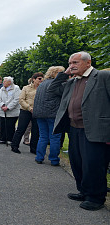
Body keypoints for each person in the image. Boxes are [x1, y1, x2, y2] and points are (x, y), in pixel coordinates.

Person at [48, 51, 110, 211]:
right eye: (70, 63)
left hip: (96, 130)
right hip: (73, 128)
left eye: (75, 63)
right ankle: (84, 191)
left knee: (94, 164)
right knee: (78, 162)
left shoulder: (102, 77)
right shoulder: (73, 81)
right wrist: (64, 73)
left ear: (88, 63)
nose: (71, 66)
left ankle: (96, 197)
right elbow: (53, 89)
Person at [33, 66, 65, 166]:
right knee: (55, 137)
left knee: (43, 136)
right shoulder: (56, 84)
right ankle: (54, 159)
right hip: (52, 114)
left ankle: (39, 157)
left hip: (40, 114)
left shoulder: (42, 84)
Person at [10, 72, 43, 154]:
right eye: (39, 78)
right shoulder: (26, 88)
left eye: (42, 78)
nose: (41, 80)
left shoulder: (43, 88)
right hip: (25, 110)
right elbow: (21, 99)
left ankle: (33, 148)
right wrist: (29, 108)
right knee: (21, 128)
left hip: (37, 111)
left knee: (36, 130)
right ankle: (14, 145)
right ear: (33, 79)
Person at [0, 77, 21, 144]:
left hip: (12, 111)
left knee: (10, 125)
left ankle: (10, 139)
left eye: (5, 81)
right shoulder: (2, 89)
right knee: (3, 125)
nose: (3, 82)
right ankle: (3, 139)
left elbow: (16, 99)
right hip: (3, 110)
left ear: (9, 82)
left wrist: (8, 107)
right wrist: (2, 105)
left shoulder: (16, 88)